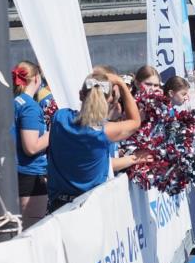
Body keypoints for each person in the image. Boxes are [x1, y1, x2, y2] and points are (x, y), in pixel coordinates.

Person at [46, 71, 141, 213]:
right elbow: (135, 121)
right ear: (109, 100)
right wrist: (121, 84)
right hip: (91, 208)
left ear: (80, 94)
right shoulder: (104, 132)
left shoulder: (59, 118)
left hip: (59, 206)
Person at [11, 61, 49, 229]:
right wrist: (54, 130)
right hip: (30, 174)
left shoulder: (13, 102)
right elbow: (31, 147)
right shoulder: (29, 107)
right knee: (31, 231)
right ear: (36, 78)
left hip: (14, 172)